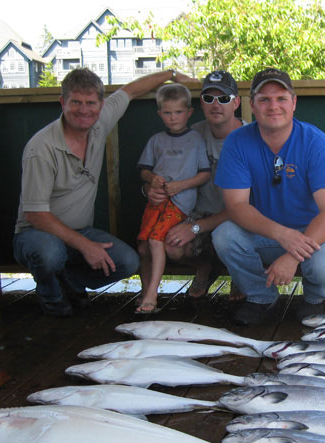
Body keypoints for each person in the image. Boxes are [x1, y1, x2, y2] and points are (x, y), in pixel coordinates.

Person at [13, 67, 194, 317]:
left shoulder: (98, 124)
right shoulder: (41, 148)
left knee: (128, 261)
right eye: (76, 102)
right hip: (37, 234)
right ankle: (51, 297)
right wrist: (86, 246)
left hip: (80, 232)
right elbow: (35, 215)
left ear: (101, 105)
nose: (84, 110)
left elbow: (130, 91)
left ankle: (71, 281)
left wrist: (171, 75)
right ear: (62, 102)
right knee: (49, 253)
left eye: (91, 103)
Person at [212, 67, 325, 325]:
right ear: (252, 105)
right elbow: (236, 206)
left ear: (294, 103)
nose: (273, 106)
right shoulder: (237, 142)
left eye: (281, 98)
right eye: (264, 99)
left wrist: (293, 255)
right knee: (224, 236)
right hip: (267, 232)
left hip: (316, 230)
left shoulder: (316, 143)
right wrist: (283, 236)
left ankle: (315, 300)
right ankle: (261, 298)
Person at [145, 70, 246, 300]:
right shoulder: (191, 134)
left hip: (239, 214)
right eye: (209, 98)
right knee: (171, 244)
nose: (216, 104)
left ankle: (239, 274)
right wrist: (150, 188)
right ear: (200, 103)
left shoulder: (251, 137)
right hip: (197, 211)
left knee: (231, 238)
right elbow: (163, 170)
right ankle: (205, 267)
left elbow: (253, 204)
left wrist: (196, 228)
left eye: (223, 98)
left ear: (236, 102)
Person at [135, 83, 211, 313]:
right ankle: (145, 289)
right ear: (160, 114)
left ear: (188, 112)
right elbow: (144, 170)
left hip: (180, 203)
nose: (173, 118)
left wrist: (182, 186)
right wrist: (151, 179)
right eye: (167, 113)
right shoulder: (156, 140)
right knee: (142, 247)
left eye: (178, 112)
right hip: (156, 201)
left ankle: (152, 296)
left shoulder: (196, 139)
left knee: (157, 240)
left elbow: (204, 174)